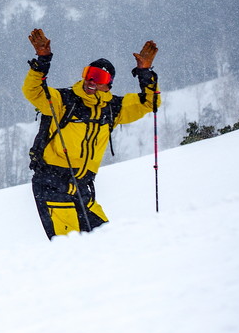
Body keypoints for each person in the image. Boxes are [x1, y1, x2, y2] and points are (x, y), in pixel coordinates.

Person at [23, 28, 161, 238]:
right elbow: (33, 91)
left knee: (106, 241)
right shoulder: (63, 101)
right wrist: (42, 60)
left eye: (98, 76)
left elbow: (150, 103)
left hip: (83, 187)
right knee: (69, 248)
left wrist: (145, 73)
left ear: (109, 84)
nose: (91, 81)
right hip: (52, 184)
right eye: (89, 74)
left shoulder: (113, 109)